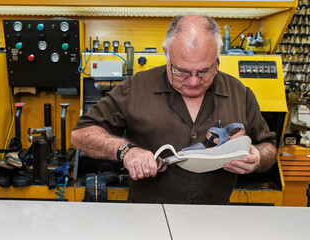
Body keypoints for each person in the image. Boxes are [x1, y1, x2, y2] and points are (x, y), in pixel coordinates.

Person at [71, 15, 277, 204]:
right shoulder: (136, 88)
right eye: (182, 71)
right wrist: (126, 151)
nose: (194, 81)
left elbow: (268, 146)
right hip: (148, 219)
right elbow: (81, 134)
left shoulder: (240, 93)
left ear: (218, 57)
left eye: (205, 70)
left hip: (214, 220)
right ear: (166, 54)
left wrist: (257, 156)